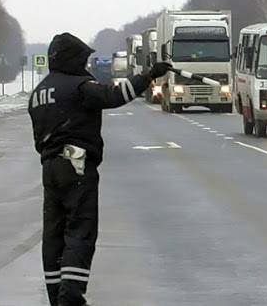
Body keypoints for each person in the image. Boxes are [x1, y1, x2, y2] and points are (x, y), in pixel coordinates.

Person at [28, 33, 171, 306]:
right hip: (77, 166)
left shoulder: (38, 94)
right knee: (80, 229)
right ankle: (70, 296)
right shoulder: (80, 86)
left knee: (54, 234)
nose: (87, 66)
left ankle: (55, 295)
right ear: (74, 60)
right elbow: (114, 96)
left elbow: (39, 136)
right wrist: (149, 75)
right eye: (84, 59)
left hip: (50, 168)